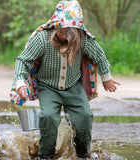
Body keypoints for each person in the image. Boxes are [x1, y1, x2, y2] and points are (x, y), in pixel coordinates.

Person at [13, 0, 120, 159]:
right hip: (48, 87)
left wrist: (106, 78)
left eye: (72, 31)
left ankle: (83, 153)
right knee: (49, 117)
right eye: (64, 30)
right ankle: (46, 154)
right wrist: (20, 83)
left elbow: (100, 57)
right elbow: (23, 60)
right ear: (55, 25)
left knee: (84, 117)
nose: (68, 35)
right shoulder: (43, 38)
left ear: (77, 29)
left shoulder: (81, 39)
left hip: (73, 86)